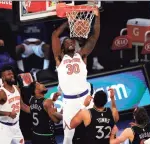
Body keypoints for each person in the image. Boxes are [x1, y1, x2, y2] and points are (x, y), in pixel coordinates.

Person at [51, 7, 100, 144]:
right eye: (66, 42)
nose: (70, 42)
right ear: (62, 48)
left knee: (94, 131)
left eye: (71, 41)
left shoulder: (81, 55)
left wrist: (97, 17)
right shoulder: (59, 59)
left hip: (86, 97)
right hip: (70, 102)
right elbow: (55, 36)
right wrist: (68, 21)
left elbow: (94, 37)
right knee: (68, 137)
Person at [0, 65, 30, 144]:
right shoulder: (1, 93)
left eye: (12, 74)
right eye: (9, 74)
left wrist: (36, 110)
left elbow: (22, 105)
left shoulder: (16, 88)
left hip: (16, 126)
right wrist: (8, 114)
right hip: (4, 128)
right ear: (3, 78)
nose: (12, 75)